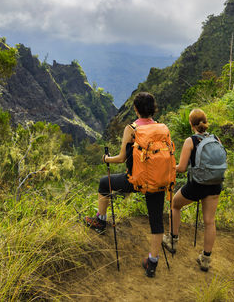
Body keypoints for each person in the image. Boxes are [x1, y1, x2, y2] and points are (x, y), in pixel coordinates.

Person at [84, 92, 168, 278]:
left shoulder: (131, 128)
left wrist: (106, 158)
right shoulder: (163, 128)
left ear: (136, 109)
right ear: (153, 109)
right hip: (157, 181)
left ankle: (100, 220)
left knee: (104, 183)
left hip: (135, 180)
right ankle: (152, 261)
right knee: (156, 220)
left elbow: (122, 158)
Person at [162, 108, 222, 272]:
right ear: (205, 122)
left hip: (198, 185)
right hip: (215, 184)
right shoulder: (216, 138)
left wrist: (169, 167)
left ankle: (172, 240)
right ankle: (206, 259)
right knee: (210, 221)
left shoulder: (191, 141)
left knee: (175, 204)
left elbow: (181, 168)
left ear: (191, 123)